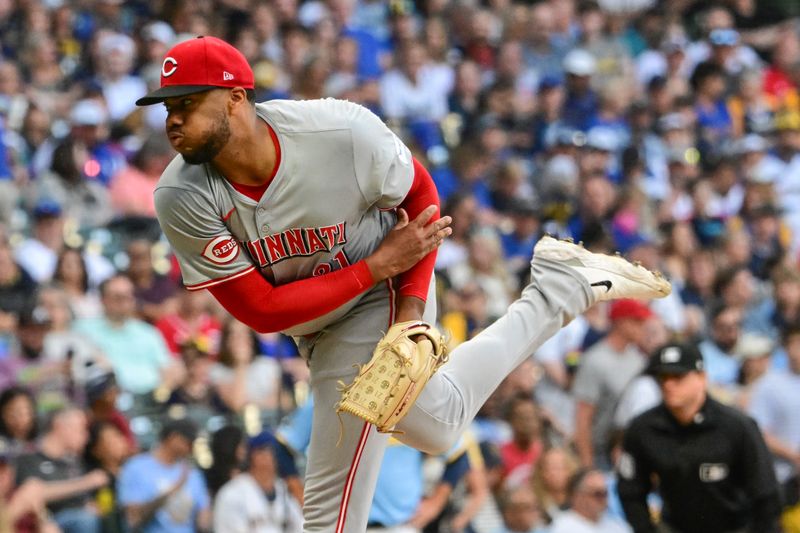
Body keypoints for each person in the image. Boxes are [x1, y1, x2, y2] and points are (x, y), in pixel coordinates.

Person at [136, 35, 670, 532]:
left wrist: (409, 314)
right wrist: (376, 266)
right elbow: (262, 311)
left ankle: (558, 289)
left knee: (333, 494)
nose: (173, 120)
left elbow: (422, 199)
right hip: (341, 296)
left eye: (186, 103)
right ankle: (561, 288)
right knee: (438, 424)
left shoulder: (337, 132)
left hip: (383, 292)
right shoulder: (181, 196)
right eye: (168, 108)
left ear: (234, 98)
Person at [617, 341, 782, 533]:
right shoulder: (644, 428)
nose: (669, 384)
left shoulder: (737, 426)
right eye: (663, 377)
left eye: (678, 377)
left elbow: (766, 494)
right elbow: (630, 491)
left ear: (702, 378)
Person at [116, 418, 211, 533]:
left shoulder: (193, 473)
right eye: (188, 443)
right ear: (173, 437)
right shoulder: (135, 467)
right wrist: (173, 490)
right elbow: (133, 518)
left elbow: (203, 518)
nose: (190, 450)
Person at [213, 430, 304, 533]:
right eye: (267, 451)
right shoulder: (232, 493)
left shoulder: (283, 490)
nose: (273, 457)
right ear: (254, 456)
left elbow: (300, 526)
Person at [549, 469, 631, 533]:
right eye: (597, 494)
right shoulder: (561, 528)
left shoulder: (617, 524)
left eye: (605, 493)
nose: (603, 498)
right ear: (578, 496)